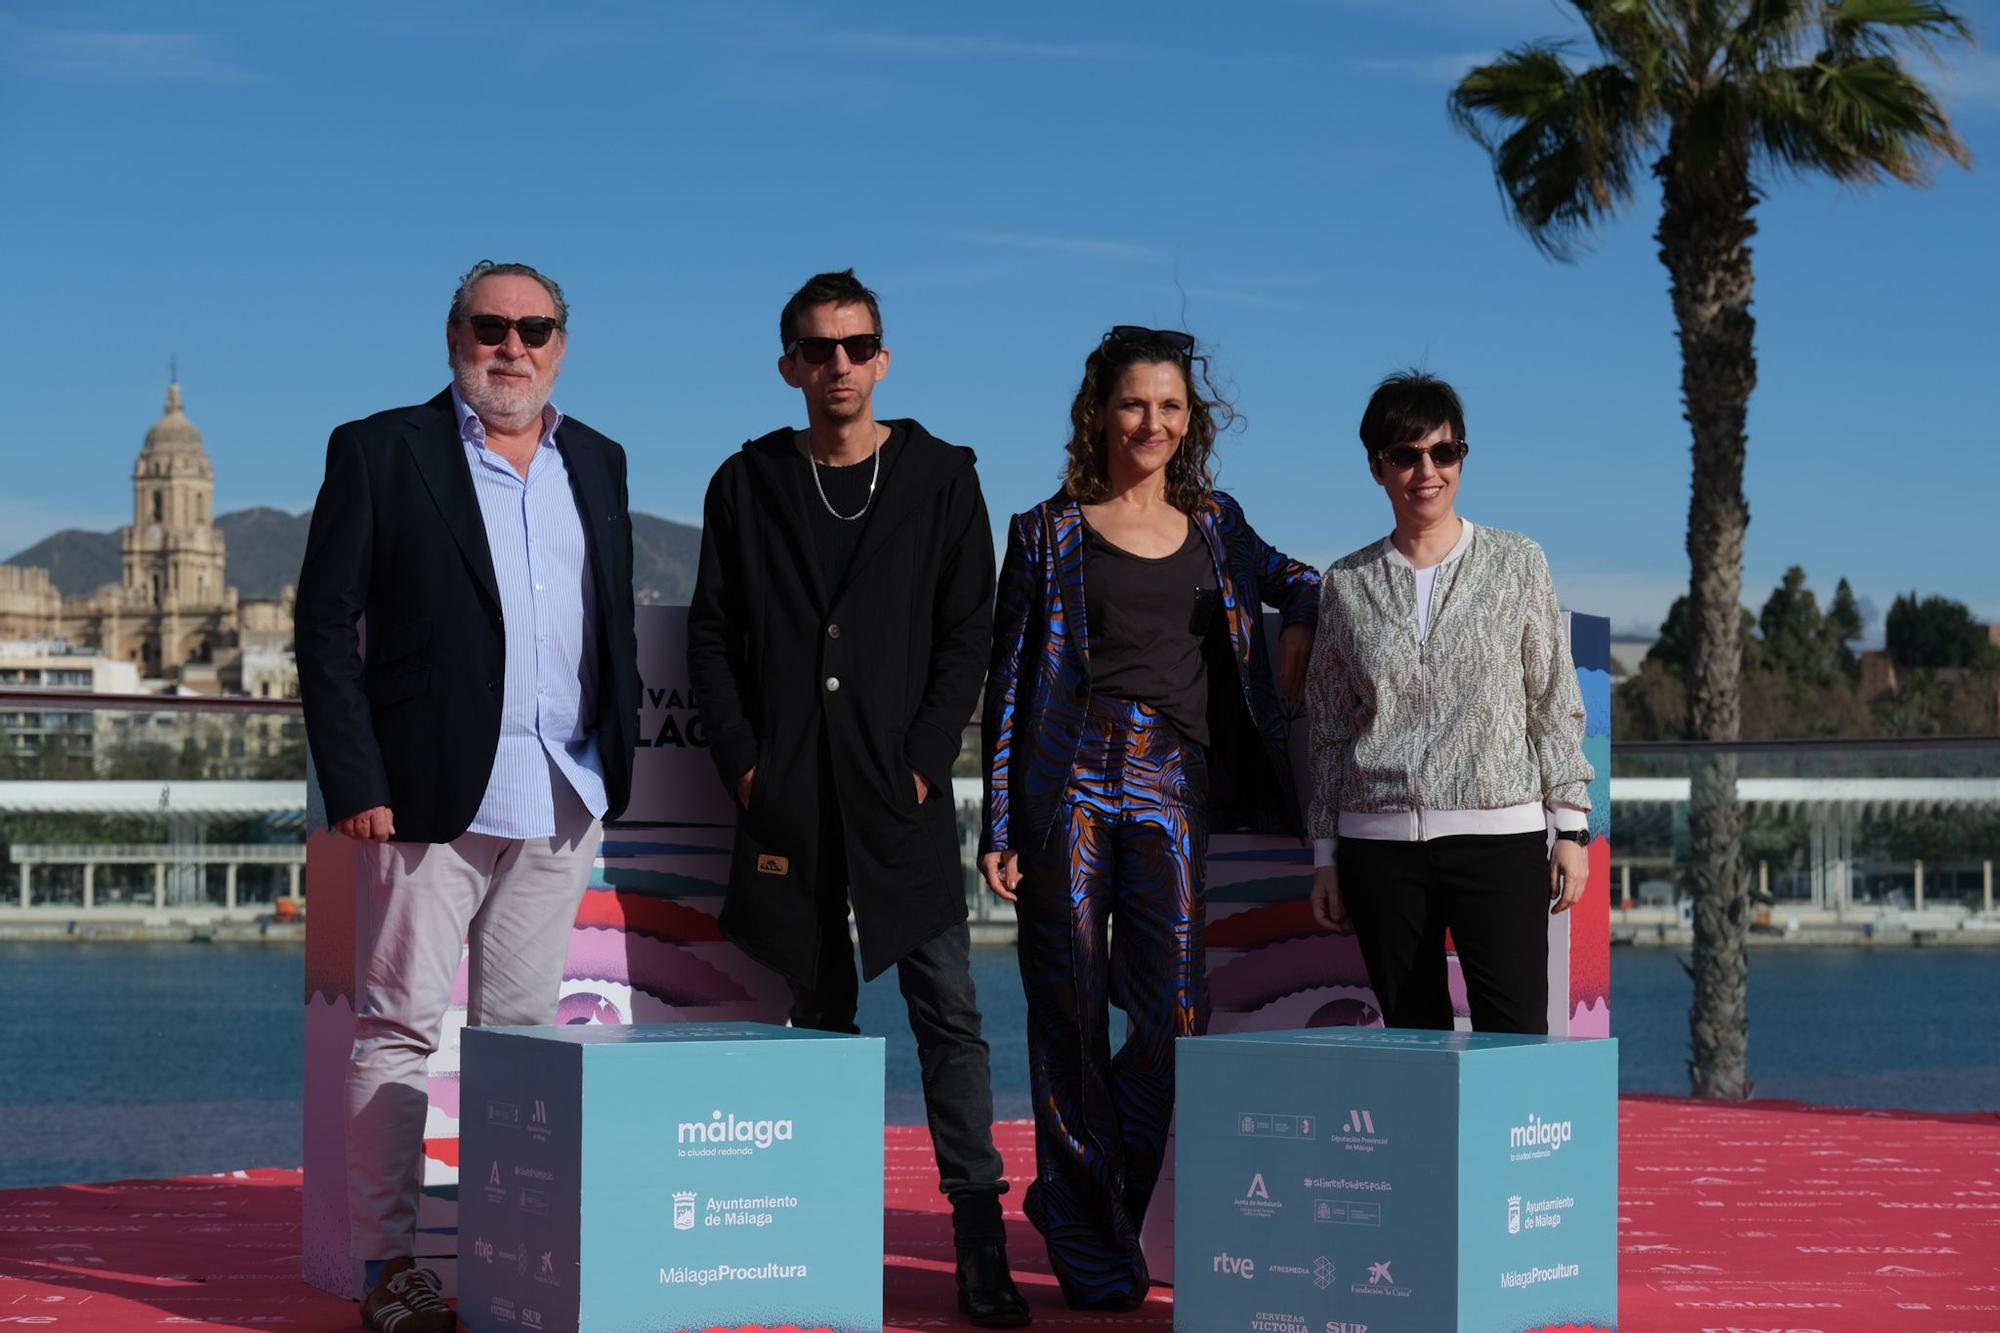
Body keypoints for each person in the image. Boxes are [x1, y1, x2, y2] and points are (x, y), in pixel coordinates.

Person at [296, 261, 639, 1331]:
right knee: (397, 1029)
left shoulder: (598, 459)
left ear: (561, 344)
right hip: (424, 801)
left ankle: (509, 1254)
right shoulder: (379, 450)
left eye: (534, 328)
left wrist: (608, 763)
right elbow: (322, 628)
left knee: (521, 1039)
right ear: (454, 336)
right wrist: (357, 781)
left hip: (562, 788)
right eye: (490, 326)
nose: (512, 346)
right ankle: (385, 1269)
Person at [685, 270, 1028, 1328]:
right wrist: (747, 765)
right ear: (789, 364)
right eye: (816, 347)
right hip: (790, 793)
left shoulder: (938, 478)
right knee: (815, 1013)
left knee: (948, 1013)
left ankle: (979, 1239)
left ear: (882, 359)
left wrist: (927, 756)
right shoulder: (745, 484)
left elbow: (970, 627)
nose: (837, 363)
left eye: (855, 344)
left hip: (898, 792)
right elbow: (710, 636)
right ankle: (818, 1230)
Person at [978, 326, 1319, 1309]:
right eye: (1134, 403)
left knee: (1177, 1015)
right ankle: (1090, 1244)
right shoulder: (1044, 531)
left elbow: (1295, 582)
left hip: (1173, 778)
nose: (1153, 422)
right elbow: (1008, 687)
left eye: (1170, 406)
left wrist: (1289, 663)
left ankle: (1078, 1199)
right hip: (1069, 780)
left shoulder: (1214, 522)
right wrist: (998, 820)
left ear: (1189, 419)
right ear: (1098, 412)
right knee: (1069, 1012)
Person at [1305, 369, 1593, 1034]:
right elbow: (1326, 727)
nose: (1426, 471)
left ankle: (1505, 1145)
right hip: (1377, 845)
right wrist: (1324, 857)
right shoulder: (1346, 584)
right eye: (1405, 455)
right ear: (1377, 467)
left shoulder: (1519, 561)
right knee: (1412, 1041)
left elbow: (1551, 697)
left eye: (1444, 452)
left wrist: (1571, 828)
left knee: (1516, 1033)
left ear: (1461, 457)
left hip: (1500, 836)